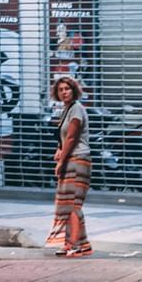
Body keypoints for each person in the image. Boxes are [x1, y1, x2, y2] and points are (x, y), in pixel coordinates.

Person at [52, 75, 93, 258]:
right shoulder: (66, 110)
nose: (64, 92)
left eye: (67, 89)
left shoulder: (76, 109)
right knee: (67, 203)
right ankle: (79, 244)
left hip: (78, 159)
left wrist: (61, 160)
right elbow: (64, 138)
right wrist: (59, 150)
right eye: (60, 90)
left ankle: (74, 244)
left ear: (74, 90)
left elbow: (72, 137)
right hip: (71, 158)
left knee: (73, 204)